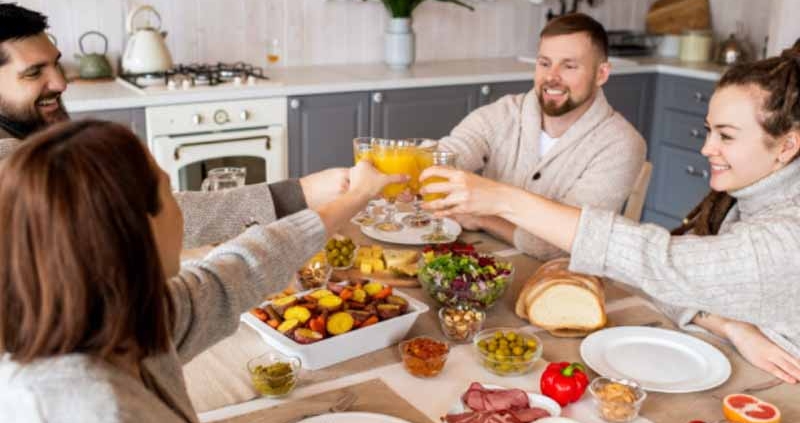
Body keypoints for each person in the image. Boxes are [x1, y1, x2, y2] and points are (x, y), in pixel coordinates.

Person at [421, 46, 800, 384]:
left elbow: (655, 263)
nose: (706, 148)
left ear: (787, 147)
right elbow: (660, 279)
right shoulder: (742, 200)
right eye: (708, 131)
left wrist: (503, 199)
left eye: (726, 136)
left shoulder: (786, 236)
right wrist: (730, 325)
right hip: (736, 364)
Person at [0, 119, 403, 422]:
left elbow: (233, 273)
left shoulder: (111, 313)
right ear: (134, 228)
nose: (183, 210)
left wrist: (355, 198)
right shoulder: (88, 408)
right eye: (169, 193)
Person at [0, 3, 348, 248]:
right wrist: (302, 192)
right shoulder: (10, 167)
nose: (60, 83)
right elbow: (138, 215)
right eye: (34, 73)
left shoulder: (27, 142)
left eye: (56, 65)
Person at [437, 13, 645, 260]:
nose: (551, 77)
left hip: (559, 283)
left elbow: (564, 242)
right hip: (485, 261)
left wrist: (482, 217)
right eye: (545, 63)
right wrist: (400, 167)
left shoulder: (622, 145)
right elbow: (446, 156)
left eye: (569, 66)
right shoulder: (503, 112)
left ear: (601, 74)